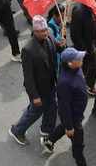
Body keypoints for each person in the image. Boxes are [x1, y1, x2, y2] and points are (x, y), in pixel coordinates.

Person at [9, 15, 59, 149]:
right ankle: (17, 130)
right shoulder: (28, 50)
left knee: (52, 108)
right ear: (35, 31)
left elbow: (55, 50)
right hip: (38, 88)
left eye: (46, 30)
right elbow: (28, 76)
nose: (45, 33)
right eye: (42, 31)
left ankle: (46, 130)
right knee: (35, 111)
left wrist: (60, 45)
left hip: (50, 83)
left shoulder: (50, 38)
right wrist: (35, 96)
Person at [55, 47, 96, 166]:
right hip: (73, 116)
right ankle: (81, 165)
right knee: (78, 142)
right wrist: (69, 126)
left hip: (77, 113)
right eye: (78, 58)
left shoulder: (76, 68)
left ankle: (49, 140)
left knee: (67, 128)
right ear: (70, 63)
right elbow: (63, 107)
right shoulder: (64, 82)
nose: (82, 58)